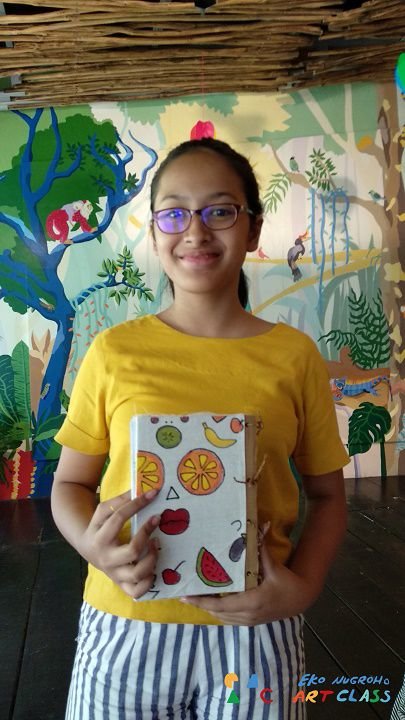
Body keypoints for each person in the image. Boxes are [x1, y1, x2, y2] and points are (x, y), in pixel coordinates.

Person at [51, 137, 349, 720]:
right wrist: (92, 546)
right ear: (155, 230)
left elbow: (328, 496)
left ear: (253, 229)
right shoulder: (114, 352)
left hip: (258, 629)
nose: (195, 230)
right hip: (128, 620)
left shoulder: (294, 356)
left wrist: (302, 589)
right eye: (174, 213)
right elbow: (69, 485)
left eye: (220, 211)